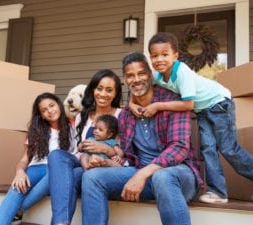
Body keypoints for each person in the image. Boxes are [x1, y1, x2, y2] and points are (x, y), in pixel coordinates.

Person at [129, 32, 253, 204]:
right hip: (204, 110)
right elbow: (140, 85)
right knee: (208, 149)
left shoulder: (182, 72)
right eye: (154, 56)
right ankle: (218, 192)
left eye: (164, 54)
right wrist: (132, 104)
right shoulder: (158, 76)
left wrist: (157, 106)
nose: (159, 59)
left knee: (228, 148)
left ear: (175, 56)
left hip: (219, 103)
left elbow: (188, 104)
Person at [81, 52, 202, 225]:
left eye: (141, 73)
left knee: (163, 177)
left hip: (178, 174)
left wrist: (142, 175)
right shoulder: (125, 115)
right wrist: (106, 161)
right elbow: (127, 155)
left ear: (150, 75)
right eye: (130, 75)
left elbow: (179, 147)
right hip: (141, 173)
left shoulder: (172, 101)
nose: (136, 79)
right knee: (92, 177)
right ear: (125, 80)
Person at [0, 92, 76, 225]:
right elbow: (24, 160)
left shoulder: (73, 125)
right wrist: (19, 172)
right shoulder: (37, 131)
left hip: (58, 169)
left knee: (56, 174)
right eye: (44, 110)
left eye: (52, 105)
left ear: (59, 104)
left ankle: (18, 211)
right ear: (41, 115)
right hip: (37, 168)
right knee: (18, 186)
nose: (50, 111)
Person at [48, 69, 122, 225]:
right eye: (99, 88)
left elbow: (124, 152)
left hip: (105, 165)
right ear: (93, 90)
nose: (103, 94)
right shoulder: (83, 115)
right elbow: (76, 149)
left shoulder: (121, 116)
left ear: (116, 94)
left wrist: (104, 149)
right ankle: (61, 222)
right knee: (56, 155)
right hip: (84, 161)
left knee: (74, 176)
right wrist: (83, 156)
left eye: (109, 90)